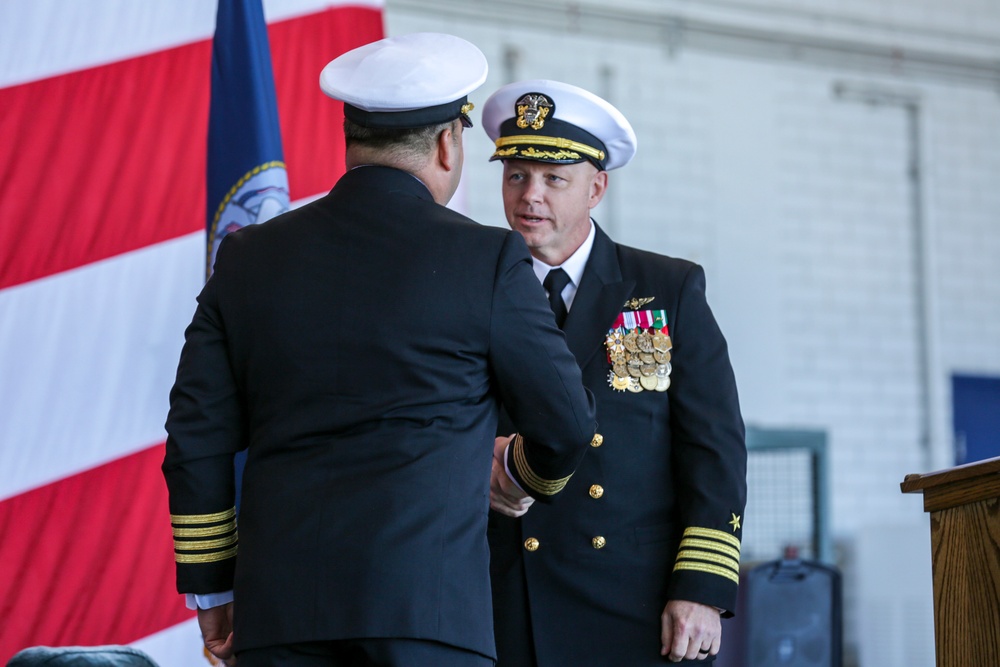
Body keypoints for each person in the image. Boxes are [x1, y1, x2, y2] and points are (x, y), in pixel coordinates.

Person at [161, 37, 598, 667]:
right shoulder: (490, 258)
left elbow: (195, 436)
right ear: (449, 144)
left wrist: (213, 586)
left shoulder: (248, 257)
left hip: (281, 616)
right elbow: (566, 422)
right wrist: (520, 478)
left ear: (350, 140)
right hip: (428, 616)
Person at [482, 80, 748, 665]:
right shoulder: (471, 288)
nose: (531, 195)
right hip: (503, 597)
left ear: (597, 188)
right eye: (517, 175)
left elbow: (714, 447)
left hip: (632, 599)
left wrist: (701, 588)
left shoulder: (666, 290)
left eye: (555, 179)